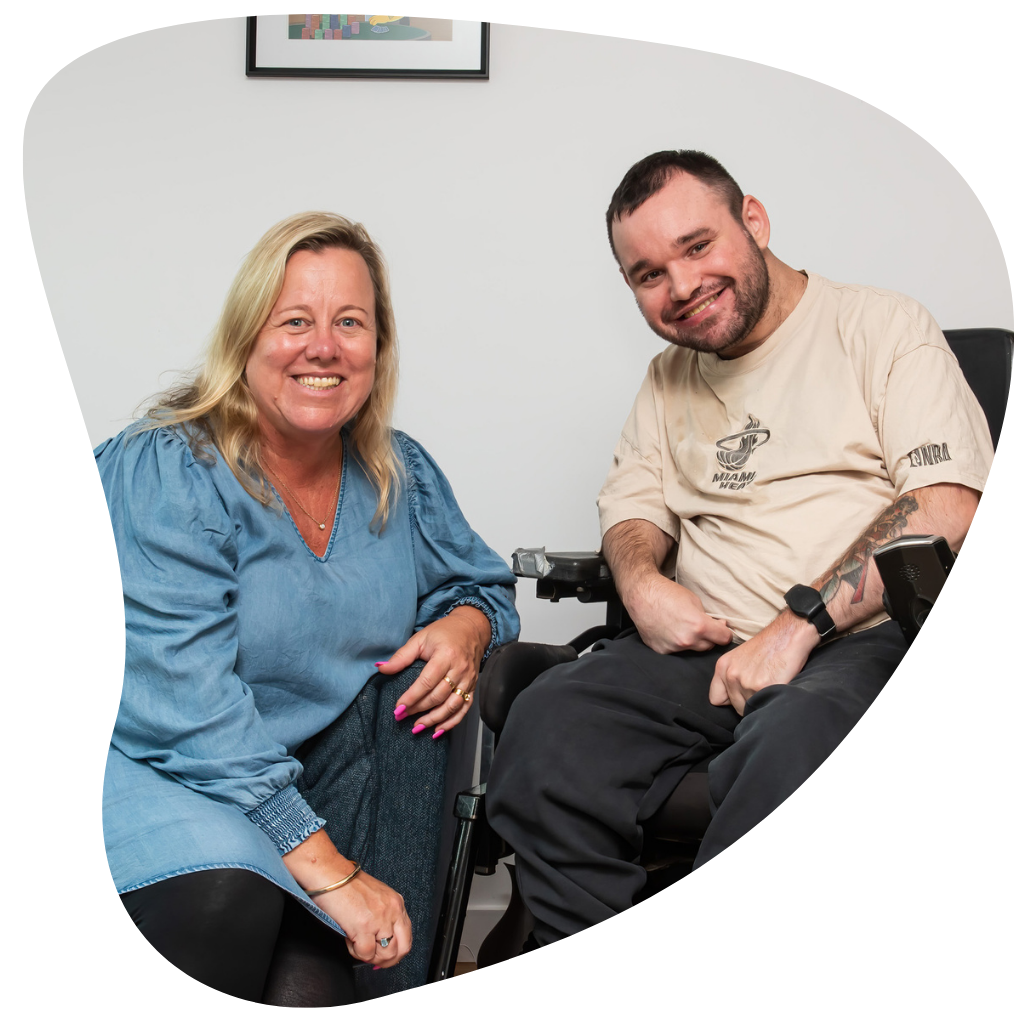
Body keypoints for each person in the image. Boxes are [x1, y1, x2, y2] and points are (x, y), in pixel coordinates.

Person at [485, 150, 993, 947]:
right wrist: (643, 582)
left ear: (753, 220)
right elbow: (631, 509)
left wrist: (796, 630)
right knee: (546, 729)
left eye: (697, 247)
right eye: (649, 274)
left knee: (796, 745)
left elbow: (945, 505)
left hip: (861, 641)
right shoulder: (667, 378)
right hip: (710, 647)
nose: (681, 287)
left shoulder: (880, 327)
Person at [99, 212, 519, 1004]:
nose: (322, 346)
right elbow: (184, 706)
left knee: (319, 991)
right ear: (246, 338)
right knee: (225, 892)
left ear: (377, 348)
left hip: (288, 793)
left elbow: (482, 585)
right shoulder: (169, 468)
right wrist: (330, 869)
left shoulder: (401, 475)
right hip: (157, 767)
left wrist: (466, 629)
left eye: (349, 323)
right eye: (294, 320)